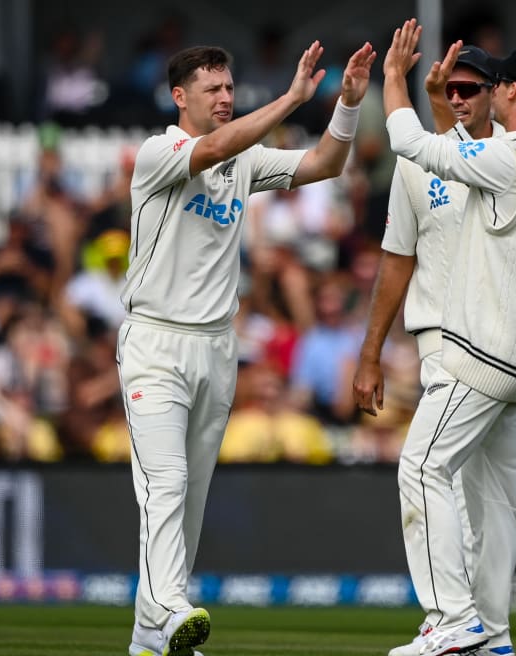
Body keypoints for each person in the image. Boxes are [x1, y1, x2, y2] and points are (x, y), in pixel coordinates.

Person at [117, 41, 376, 656]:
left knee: (191, 501)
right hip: (155, 341)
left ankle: (149, 641)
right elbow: (210, 150)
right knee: (167, 482)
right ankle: (169, 610)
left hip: (216, 347)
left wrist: (346, 105)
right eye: (213, 90)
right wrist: (289, 98)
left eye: (230, 87)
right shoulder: (161, 152)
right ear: (180, 98)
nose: (227, 97)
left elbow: (323, 166)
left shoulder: (246, 160)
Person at [353, 44, 516, 656]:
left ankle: (453, 618)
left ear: (508, 92)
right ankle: (494, 638)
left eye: (484, 86)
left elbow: (413, 142)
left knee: (421, 468)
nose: (462, 98)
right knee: (493, 507)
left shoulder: (506, 157)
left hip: (479, 355)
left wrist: (392, 79)